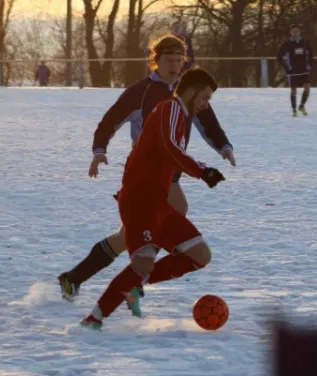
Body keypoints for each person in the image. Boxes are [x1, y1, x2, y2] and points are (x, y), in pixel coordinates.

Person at [58, 35, 235, 316]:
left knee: (128, 237)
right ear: (156, 61)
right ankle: (129, 286)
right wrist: (98, 150)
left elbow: (208, 122)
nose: (175, 66)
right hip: (145, 177)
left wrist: (224, 147)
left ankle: (79, 278)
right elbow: (110, 119)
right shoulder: (141, 92)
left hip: (169, 174)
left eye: (180, 61)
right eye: (169, 60)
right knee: (159, 226)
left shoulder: (187, 92)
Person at [80, 68, 226, 329]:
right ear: (191, 92)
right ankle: (94, 319)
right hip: (140, 200)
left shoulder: (180, 114)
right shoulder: (170, 108)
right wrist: (202, 171)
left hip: (159, 202)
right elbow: (170, 146)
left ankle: (133, 287)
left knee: (200, 255)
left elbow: (170, 150)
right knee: (143, 263)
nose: (205, 106)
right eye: (204, 98)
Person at [277, 24, 313, 117]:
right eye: (293, 31)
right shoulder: (287, 44)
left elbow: (311, 54)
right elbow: (279, 56)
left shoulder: (305, 42)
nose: (295, 33)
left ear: (299, 32)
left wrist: (310, 65)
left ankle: (301, 106)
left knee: (307, 88)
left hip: (304, 70)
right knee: (293, 90)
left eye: (297, 31)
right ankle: (294, 110)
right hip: (293, 70)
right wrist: (286, 67)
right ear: (290, 33)